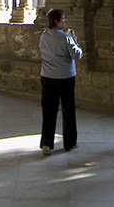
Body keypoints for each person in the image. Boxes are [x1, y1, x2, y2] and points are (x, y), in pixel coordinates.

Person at [38, 8, 83, 156]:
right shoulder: (65, 38)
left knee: (48, 111)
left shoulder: (44, 36)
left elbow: (43, 51)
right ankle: (70, 142)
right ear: (56, 22)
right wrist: (74, 41)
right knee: (68, 110)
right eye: (63, 19)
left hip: (47, 76)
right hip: (65, 77)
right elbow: (76, 55)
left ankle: (46, 143)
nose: (65, 21)